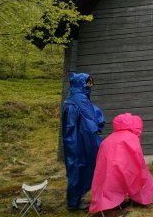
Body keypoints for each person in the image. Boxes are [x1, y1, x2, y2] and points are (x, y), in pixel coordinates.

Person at [90, 113, 153, 214]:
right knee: (139, 175)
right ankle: (140, 200)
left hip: (109, 171)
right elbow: (137, 159)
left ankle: (110, 203)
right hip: (126, 167)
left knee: (111, 183)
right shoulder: (131, 138)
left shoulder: (108, 139)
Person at [62, 73, 105, 211]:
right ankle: (73, 203)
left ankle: (74, 200)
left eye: (92, 82)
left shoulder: (73, 97)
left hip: (74, 138)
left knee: (75, 166)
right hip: (79, 139)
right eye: (88, 82)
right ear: (81, 83)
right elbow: (90, 120)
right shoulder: (80, 99)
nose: (91, 85)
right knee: (79, 166)